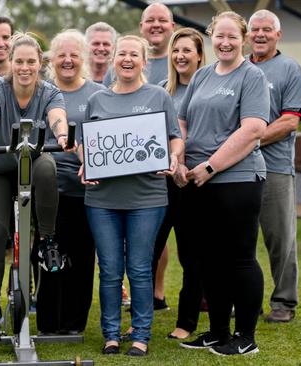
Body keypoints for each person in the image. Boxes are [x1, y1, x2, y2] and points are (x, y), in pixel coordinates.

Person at [82, 34, 183, 357]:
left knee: (140, 268)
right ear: (113, 60)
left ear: (144, 61)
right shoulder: (97, 100)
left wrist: (173, 157)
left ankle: (140, 335)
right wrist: (87, 164)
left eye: (133, 55)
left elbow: (174, 138)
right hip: (102, 200)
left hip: (147, 198)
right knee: (110, 269)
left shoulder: (158, 96)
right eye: (121, 54)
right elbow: (88, 142)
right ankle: (110, 335)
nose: (127, 59)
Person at [177, 11, 269, 356]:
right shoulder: (201, 75)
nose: (226, 43)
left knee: (239, 258)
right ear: (211, 37)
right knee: (209, 260)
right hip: (199, 180)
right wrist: (180, 159)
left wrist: (211, 167)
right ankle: (217, 332)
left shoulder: (252, 76)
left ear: (243, 39)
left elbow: (253, 130)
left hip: (237, 178)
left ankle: (246, 337)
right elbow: (182, 122)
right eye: (220, 36)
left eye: (233, 37)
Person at [0, 32, 72, 340]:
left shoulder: (50, 92)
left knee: (47, 165)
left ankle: (47, 242)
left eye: (31, 62)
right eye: (19, 61)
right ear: (10, 62)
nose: (25, 67)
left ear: (40, 63)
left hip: (30, 163)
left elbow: (58, 119)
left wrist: (64, 135)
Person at [33, 29, 105, 335]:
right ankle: (49, 322)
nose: (68, 60)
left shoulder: (98, 94)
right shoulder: (40, 92)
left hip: (86, 192)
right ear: (51, 59)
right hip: (48, 192)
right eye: (61, 55)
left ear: (84, 59)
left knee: (82, 256)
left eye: (74, 55)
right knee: (50, 256)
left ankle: (75, 322)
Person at [248, 9, 301, 323]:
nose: (260, 34)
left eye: (266, 30)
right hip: (237, 169)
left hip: (275, 167)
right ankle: (247, 300)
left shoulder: (289, 69)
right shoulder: (238, 68)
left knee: (280, 239)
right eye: (255, 29)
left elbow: (290, 122)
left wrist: (248, 142)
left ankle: (284, 302)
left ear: (278, 35)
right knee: (240, 239)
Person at [157, 27, 207, 340]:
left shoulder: (208, 89)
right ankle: (141, 318)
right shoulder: (162, 90)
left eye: (187, 50)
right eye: (176, 51)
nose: (180, 56)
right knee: (148, 251)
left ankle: (186, 322)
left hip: (196, 182)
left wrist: (187, 166)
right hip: (162, 184)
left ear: (200, 55)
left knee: (192, 255)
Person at [103, 2, 175, 87]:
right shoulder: (120, 65)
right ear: (141, 27)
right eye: (150, 20)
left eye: (162, 20)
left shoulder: (180, 63)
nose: (156, 25)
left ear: (172, 26)